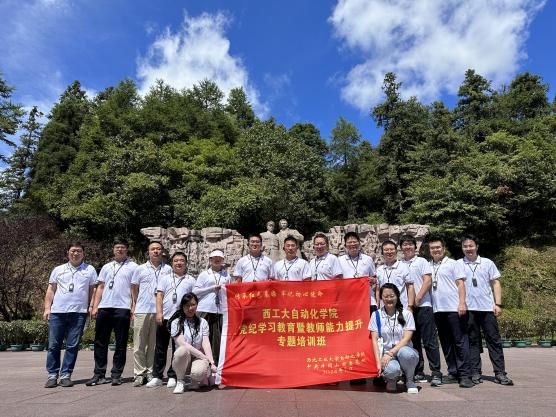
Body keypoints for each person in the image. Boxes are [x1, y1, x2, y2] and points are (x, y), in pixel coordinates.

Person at [458, 234, 513, 386]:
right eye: (465, 246)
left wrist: (498, 304)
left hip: (487, 308)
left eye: (471, 245)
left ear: (477, 246)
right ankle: (475, 372)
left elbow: (495, 283)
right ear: (462, 248)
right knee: (473, 342)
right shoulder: (458, 264)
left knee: (494, 341)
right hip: (469, 309)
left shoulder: (487, 263)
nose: (468, 248)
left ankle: (500, 373)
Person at [43, 242, 97, 388]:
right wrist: (47, 308)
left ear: (83, 253)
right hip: (58, 312)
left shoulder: (90, 270)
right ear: (68, 252)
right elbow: (51, 290)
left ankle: (66, 375)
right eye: (73, 251)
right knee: (54, 345)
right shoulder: (58, 269)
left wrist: (91, 306)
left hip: (79, 313)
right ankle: (52, 375)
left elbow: (93, 290)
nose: (76, 253)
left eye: (79, 251)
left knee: (72, 345)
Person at [87, 239, 138, 387]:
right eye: (117, 247)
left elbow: (135, 289)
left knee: (121, 342)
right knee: (100, 342)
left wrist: (134, 306)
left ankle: (116, 374)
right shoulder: (107, 266)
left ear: (127, 250)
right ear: (113, 250)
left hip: (123, 308)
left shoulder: (134, 267)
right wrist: (95, 306)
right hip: (105, 307)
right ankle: (99, 374)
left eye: (122, 247)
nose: (119, 250)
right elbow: (101, 287)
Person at [428, 236, 474, 388]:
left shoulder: (454, 264)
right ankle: (453, 372)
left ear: (443, 248)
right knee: (446, 342)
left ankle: (465, 375)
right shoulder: (428, 265)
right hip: (438, 310)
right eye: (432, 248)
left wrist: (462, 303)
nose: (435, 250)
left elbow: (461, 284)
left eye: (438, 247)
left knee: (460, 341)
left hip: (454, 308)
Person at [147, 252, 195, 388]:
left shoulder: (191, 280)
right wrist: (159, 312)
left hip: (181, 319)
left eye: (181, 261)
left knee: (177, 349)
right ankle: (157, 376)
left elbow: (194, 300)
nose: (179, 263)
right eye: (176, 261)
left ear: (186, 263)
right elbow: (159, 296)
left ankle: (173, 375)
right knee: (160, 347)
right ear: (172, 263)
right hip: (165, 317)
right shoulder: (165, 278)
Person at [399, 234, 442, 386]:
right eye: (405, 244)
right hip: (407, 309)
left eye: (410, 244)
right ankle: (418, 371)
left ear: (415, 246)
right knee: (413, 341)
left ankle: (436, 372)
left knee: (429, 340)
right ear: (401, 247)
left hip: (423, 305)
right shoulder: (399, 264)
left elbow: (427, 280)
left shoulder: (422, 261)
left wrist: (418, 297)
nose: (408, 247)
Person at [130, 241, 172, 387]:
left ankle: (150, 372)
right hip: (142, 309)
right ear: (148, 252)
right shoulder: (140, 269)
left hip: (159, 311)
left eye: (158, 249)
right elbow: (134, 288)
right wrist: (136, 303)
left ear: (162, 252)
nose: (155, 251)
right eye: (153, 249)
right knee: (139, 344)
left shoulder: (168, 269)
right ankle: (139, 373)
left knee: (155, 345)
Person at [369, 283, 419, 394]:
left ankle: (410, 380)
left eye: (392, 296)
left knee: (407, 354)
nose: (389, 299)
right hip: (386, 355)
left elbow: (406, 338)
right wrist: (378, 363)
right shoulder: (376, 315)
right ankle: (392, 378)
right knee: (392, 371)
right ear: (381, 298)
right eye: (385, 296)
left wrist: (391, 353)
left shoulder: (407, 314)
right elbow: (374, 340)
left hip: (401, 351)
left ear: (397, 296)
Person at [169, 293, 217, 394]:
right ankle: (180, 381)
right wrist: (203, 356)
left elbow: (206, 343)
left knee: (199, 372)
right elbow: (183, 344)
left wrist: (211, 363)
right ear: (182, 307)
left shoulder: (202, 322)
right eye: (187, 305)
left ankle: (195, 380)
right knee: (182, 351)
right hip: (183, 359)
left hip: (197, 358)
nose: (190, 308)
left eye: (193, 304)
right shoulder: (175, 323)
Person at [193, 250, 232, 366]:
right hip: (205, 309)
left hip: (220, 310)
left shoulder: (226, 275)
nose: (217, 259)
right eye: (214, 258)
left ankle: (215, 365)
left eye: (219, 258)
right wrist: (211, 288)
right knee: (201, 337)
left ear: (223, 260)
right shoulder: (204, 274)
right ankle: (199, 364)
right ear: (210, 260)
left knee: (217, 340)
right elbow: (195, 292)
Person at [338, 231, 377, 311]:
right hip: (348, 301)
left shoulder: (368, 259)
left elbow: (374, 278)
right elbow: (337, 280)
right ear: (345, 245)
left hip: (367, 300)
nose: (352, 244)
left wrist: (373, 280)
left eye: (354, 242)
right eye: (349, 242)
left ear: (359, 243)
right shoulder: (339, 260)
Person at [376, 240, 414, 309]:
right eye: (386, 250)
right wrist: (377, 306)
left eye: (392, 249)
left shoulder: (403, 266)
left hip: (401, 308)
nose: (389, 252)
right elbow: (378, 290)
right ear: (382, 252)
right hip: (384, 309)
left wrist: (410, 306)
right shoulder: (379, 270)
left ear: (396, 251)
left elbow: (410, 287)